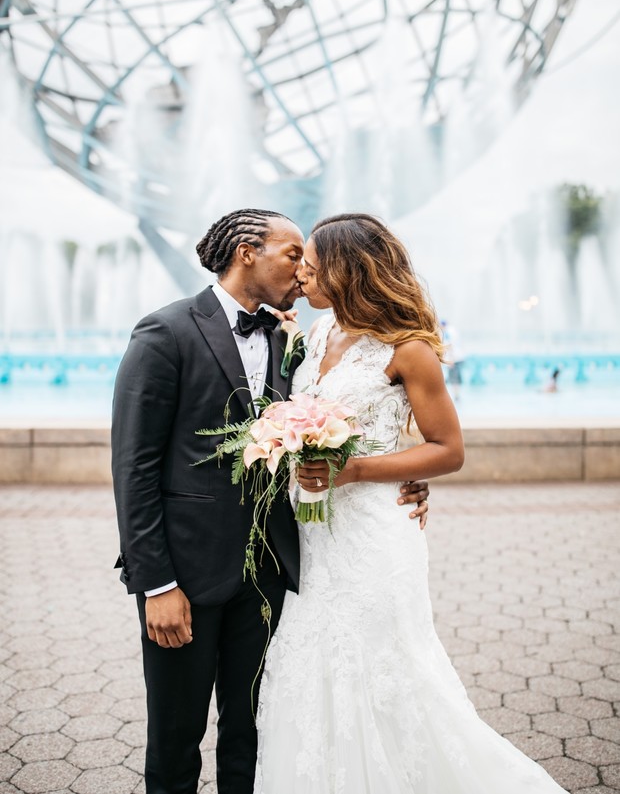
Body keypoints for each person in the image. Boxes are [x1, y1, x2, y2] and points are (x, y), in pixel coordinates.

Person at [111, 208, 430, 794]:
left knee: (255, 736)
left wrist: (395, 476)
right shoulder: (166, 332)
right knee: (177, 739)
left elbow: (347, 424)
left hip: (275, 576)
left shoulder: (295, 342)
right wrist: (156, 585)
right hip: (185, 577)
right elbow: (133, 468)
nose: (303, 270)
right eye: (293, 255)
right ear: (246, 253)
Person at [254, 213, 568, 794]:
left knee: (384, 667)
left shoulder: (408, 350)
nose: (302, 275)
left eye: (314, 267)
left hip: (374, 534)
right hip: (316, 537)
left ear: (348, 274)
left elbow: (449, 450)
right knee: (312, 661)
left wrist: (355, 471)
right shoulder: (317, 335)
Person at [441, 318, 466, 401]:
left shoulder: (448, 332)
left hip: (454, 359)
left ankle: (456, 395)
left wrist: (451, 360)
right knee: (456, 377)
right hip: (459, 357)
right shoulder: (454, 330)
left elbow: (450, 346)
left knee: (454, 378)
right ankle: (457, 395)